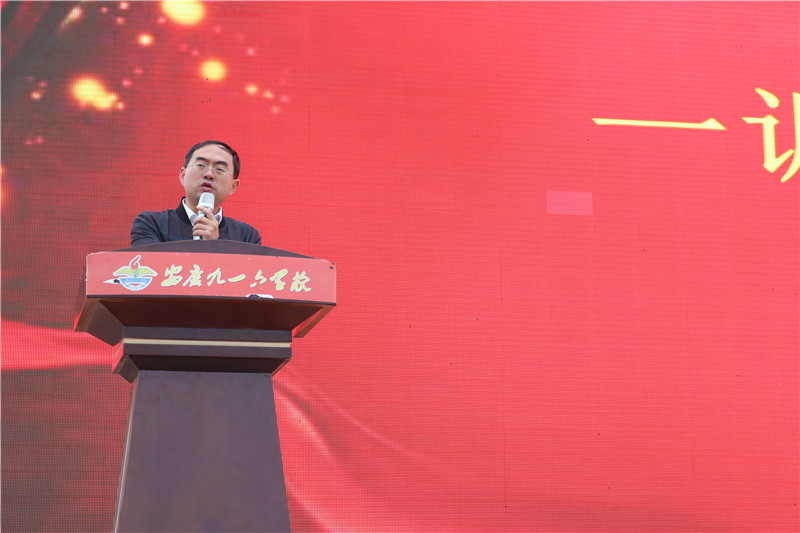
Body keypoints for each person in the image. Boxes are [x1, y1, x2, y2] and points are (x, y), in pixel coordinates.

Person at [131, 140, 262, 246]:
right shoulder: (151, 223)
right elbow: (151, 267)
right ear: (182, 175)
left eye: (220, 169)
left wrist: (215, 245)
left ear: (233, 186)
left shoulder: (246, 236)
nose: (209, 174)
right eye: (201, 165)